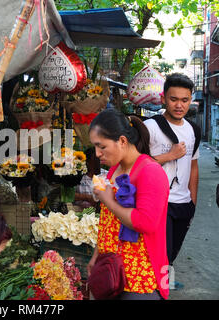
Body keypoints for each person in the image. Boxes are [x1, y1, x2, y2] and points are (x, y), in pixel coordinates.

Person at [86, 108, 170, 300]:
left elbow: (145, 222)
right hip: (111, 269)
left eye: (102, 146)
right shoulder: (115, 169)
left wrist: (108, 200)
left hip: (139, 275)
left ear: (122, 141)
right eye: (95, 147)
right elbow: (108, 222)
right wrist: (96, 257)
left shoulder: (150, 171)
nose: (97, 154)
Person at [144, 73, 199, 290]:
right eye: (173, 99)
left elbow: (193, 167)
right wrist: (169, 156)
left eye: (184, 100)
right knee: (160, 251)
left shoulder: (193, 129)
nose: (179, 105)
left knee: (173, 250)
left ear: (190, 99)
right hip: (158, 201)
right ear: (164, 98)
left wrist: (193, 200)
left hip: (183, 202)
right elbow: (136, 163)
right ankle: (155, 289)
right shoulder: (150, 126)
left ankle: (164, 285)